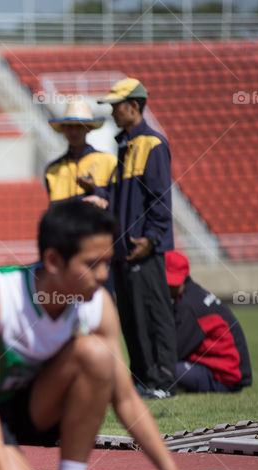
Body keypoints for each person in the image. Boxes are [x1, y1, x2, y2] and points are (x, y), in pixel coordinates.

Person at [0, 200, 220, 470]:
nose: (103, 275)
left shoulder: (97, 306)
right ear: (53, 260)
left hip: (26, 402)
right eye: (92, 264)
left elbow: (125, 398)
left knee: (96, 355)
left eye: (108, 262)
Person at [98, 77, 177, 399]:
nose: (113, 112)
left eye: (116, 106)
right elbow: (122, 197)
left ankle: (163, 380)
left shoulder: (152, 145)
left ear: (134, 106)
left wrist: (152, 240)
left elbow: (160, 201)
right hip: (123, 252)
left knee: (153, 314)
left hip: (143, 250)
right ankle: (144, 378)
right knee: (131, 318)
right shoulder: (124, 146)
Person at [165, 251, 252, 393]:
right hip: (228, 370)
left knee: (166, 369)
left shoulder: (189, 306)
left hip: (225, 376)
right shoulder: (194, 293)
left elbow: (174, 351)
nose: (168, 287)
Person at [44, 100, 116, 203]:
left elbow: (116, 204)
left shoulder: (109, 162)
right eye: (69, 126)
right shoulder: (52, 171)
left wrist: (93, 189)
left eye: (79, 126)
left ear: (89, 128)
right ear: (63, 128)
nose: (73, 132)